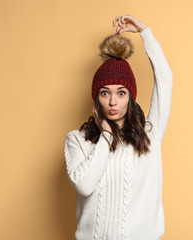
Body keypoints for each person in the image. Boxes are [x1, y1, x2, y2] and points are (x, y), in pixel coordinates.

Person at [64, 15, 173, 240]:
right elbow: (85, 185)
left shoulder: (149, 135)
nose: (113, 102)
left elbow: (165, 81)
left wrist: (146, 33)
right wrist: (105, 135)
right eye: (105, 92)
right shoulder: (77, 140)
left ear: (130, 97)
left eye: (121, 93)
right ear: (96, 98)